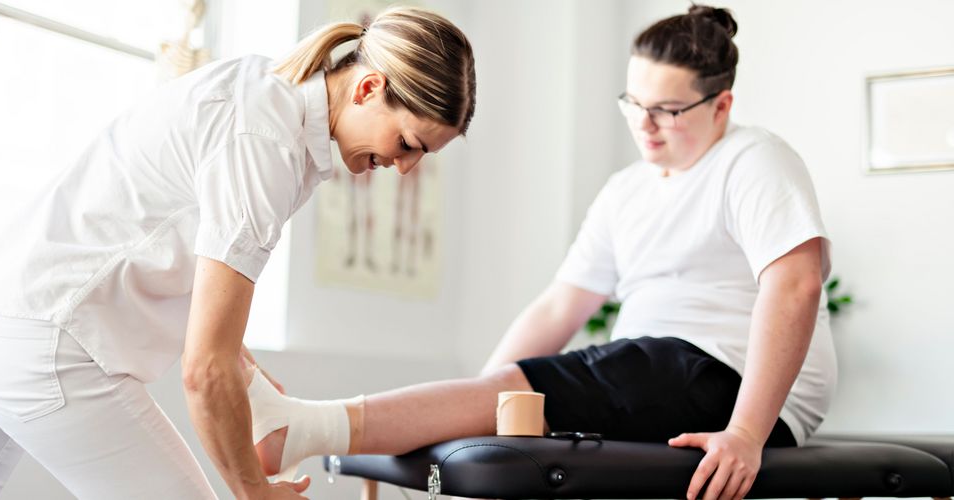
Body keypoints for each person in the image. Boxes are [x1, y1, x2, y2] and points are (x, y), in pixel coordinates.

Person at [239, 5, 835, 500]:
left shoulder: (754, 159)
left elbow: (798, 284)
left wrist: (747, 433)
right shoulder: (627, 191)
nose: (645, 126)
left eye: (667, 111)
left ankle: (302, 427)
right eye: (634, 104)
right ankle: (310, 425)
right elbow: (559, 309)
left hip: (727, 382)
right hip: (657, 379)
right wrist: (477, 404)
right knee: (530, 398)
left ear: (721, 106)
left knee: (600, 371)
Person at [0, 6, 476, 499]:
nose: (406, 166)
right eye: (410, 143)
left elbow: (187, 280)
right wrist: (254, 491)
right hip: (47, 339)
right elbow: (204, 369)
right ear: (368, 87)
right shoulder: (267, 145)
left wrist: (243, 374)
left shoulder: (264, 94)